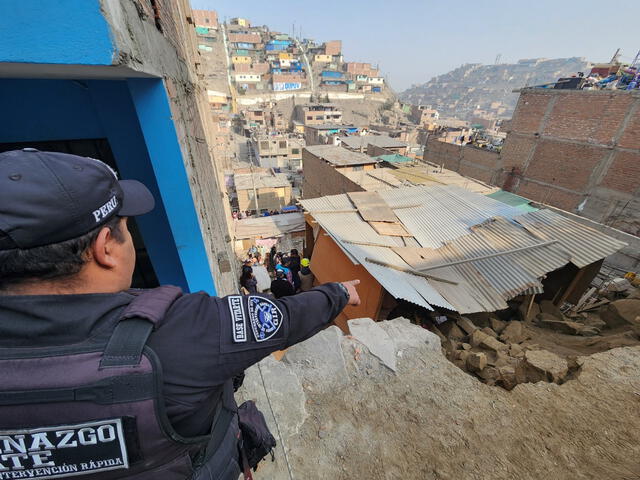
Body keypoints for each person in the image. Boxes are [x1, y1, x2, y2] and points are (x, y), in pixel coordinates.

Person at [0, 149, 361, 480]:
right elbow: (282, 319)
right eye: (125, 227)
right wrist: (339, 292)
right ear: (105, 248)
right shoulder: (181, 328)